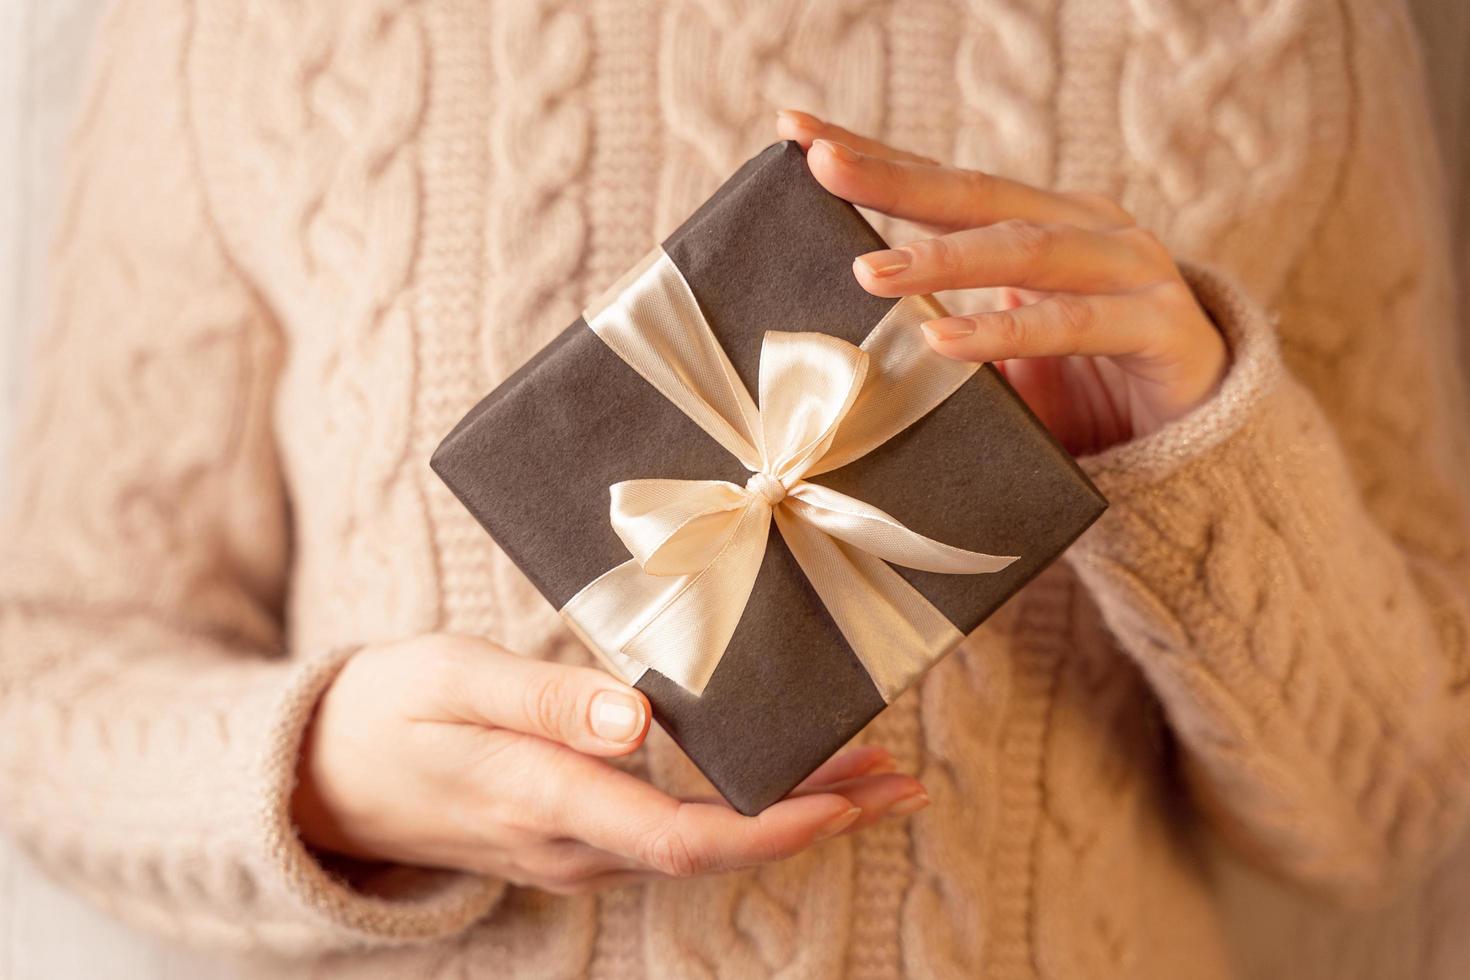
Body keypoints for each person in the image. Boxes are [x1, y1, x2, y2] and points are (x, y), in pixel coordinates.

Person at [2, 0, 1468, 977]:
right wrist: (323, 769)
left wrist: (1200, 444)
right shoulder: (238, 32)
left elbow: (1400, 811)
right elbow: (43, 684)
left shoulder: (1280, 34)